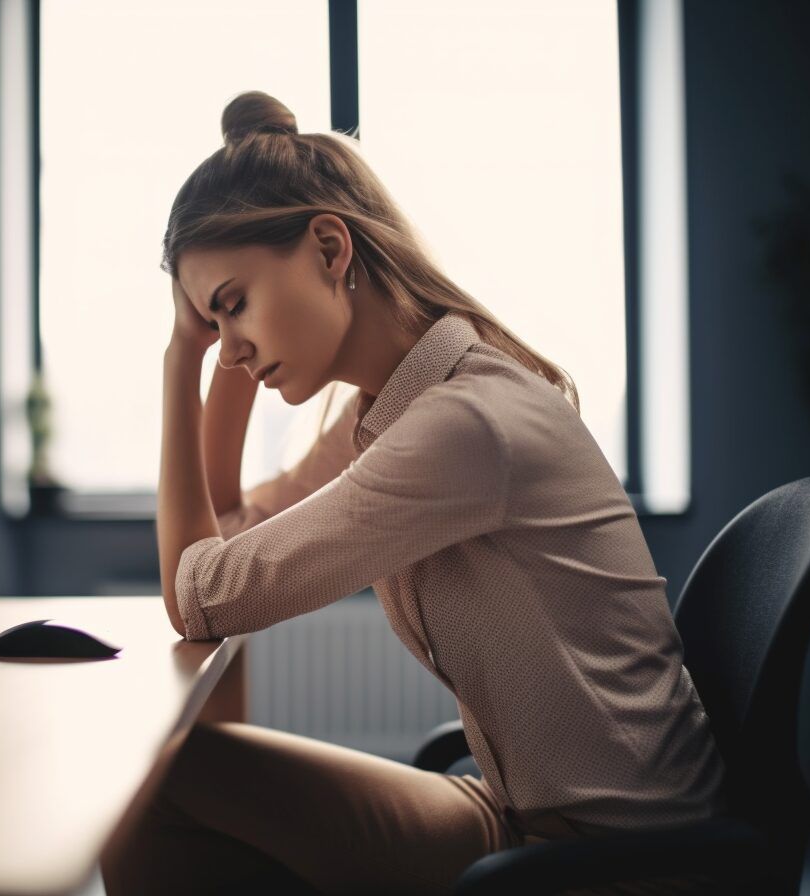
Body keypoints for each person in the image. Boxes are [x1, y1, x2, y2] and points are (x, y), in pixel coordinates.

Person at [99, 91, 727, 896]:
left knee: (157, 777)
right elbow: (229, 525)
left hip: (609, 861)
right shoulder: (390, 410)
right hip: (520, 817)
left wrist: (176, 365)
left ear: (331, 249)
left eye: (234, 306)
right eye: (211, 324)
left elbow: (201, 596)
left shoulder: (461, 428)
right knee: (168, 777)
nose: (229, 351)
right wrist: (200, 342)